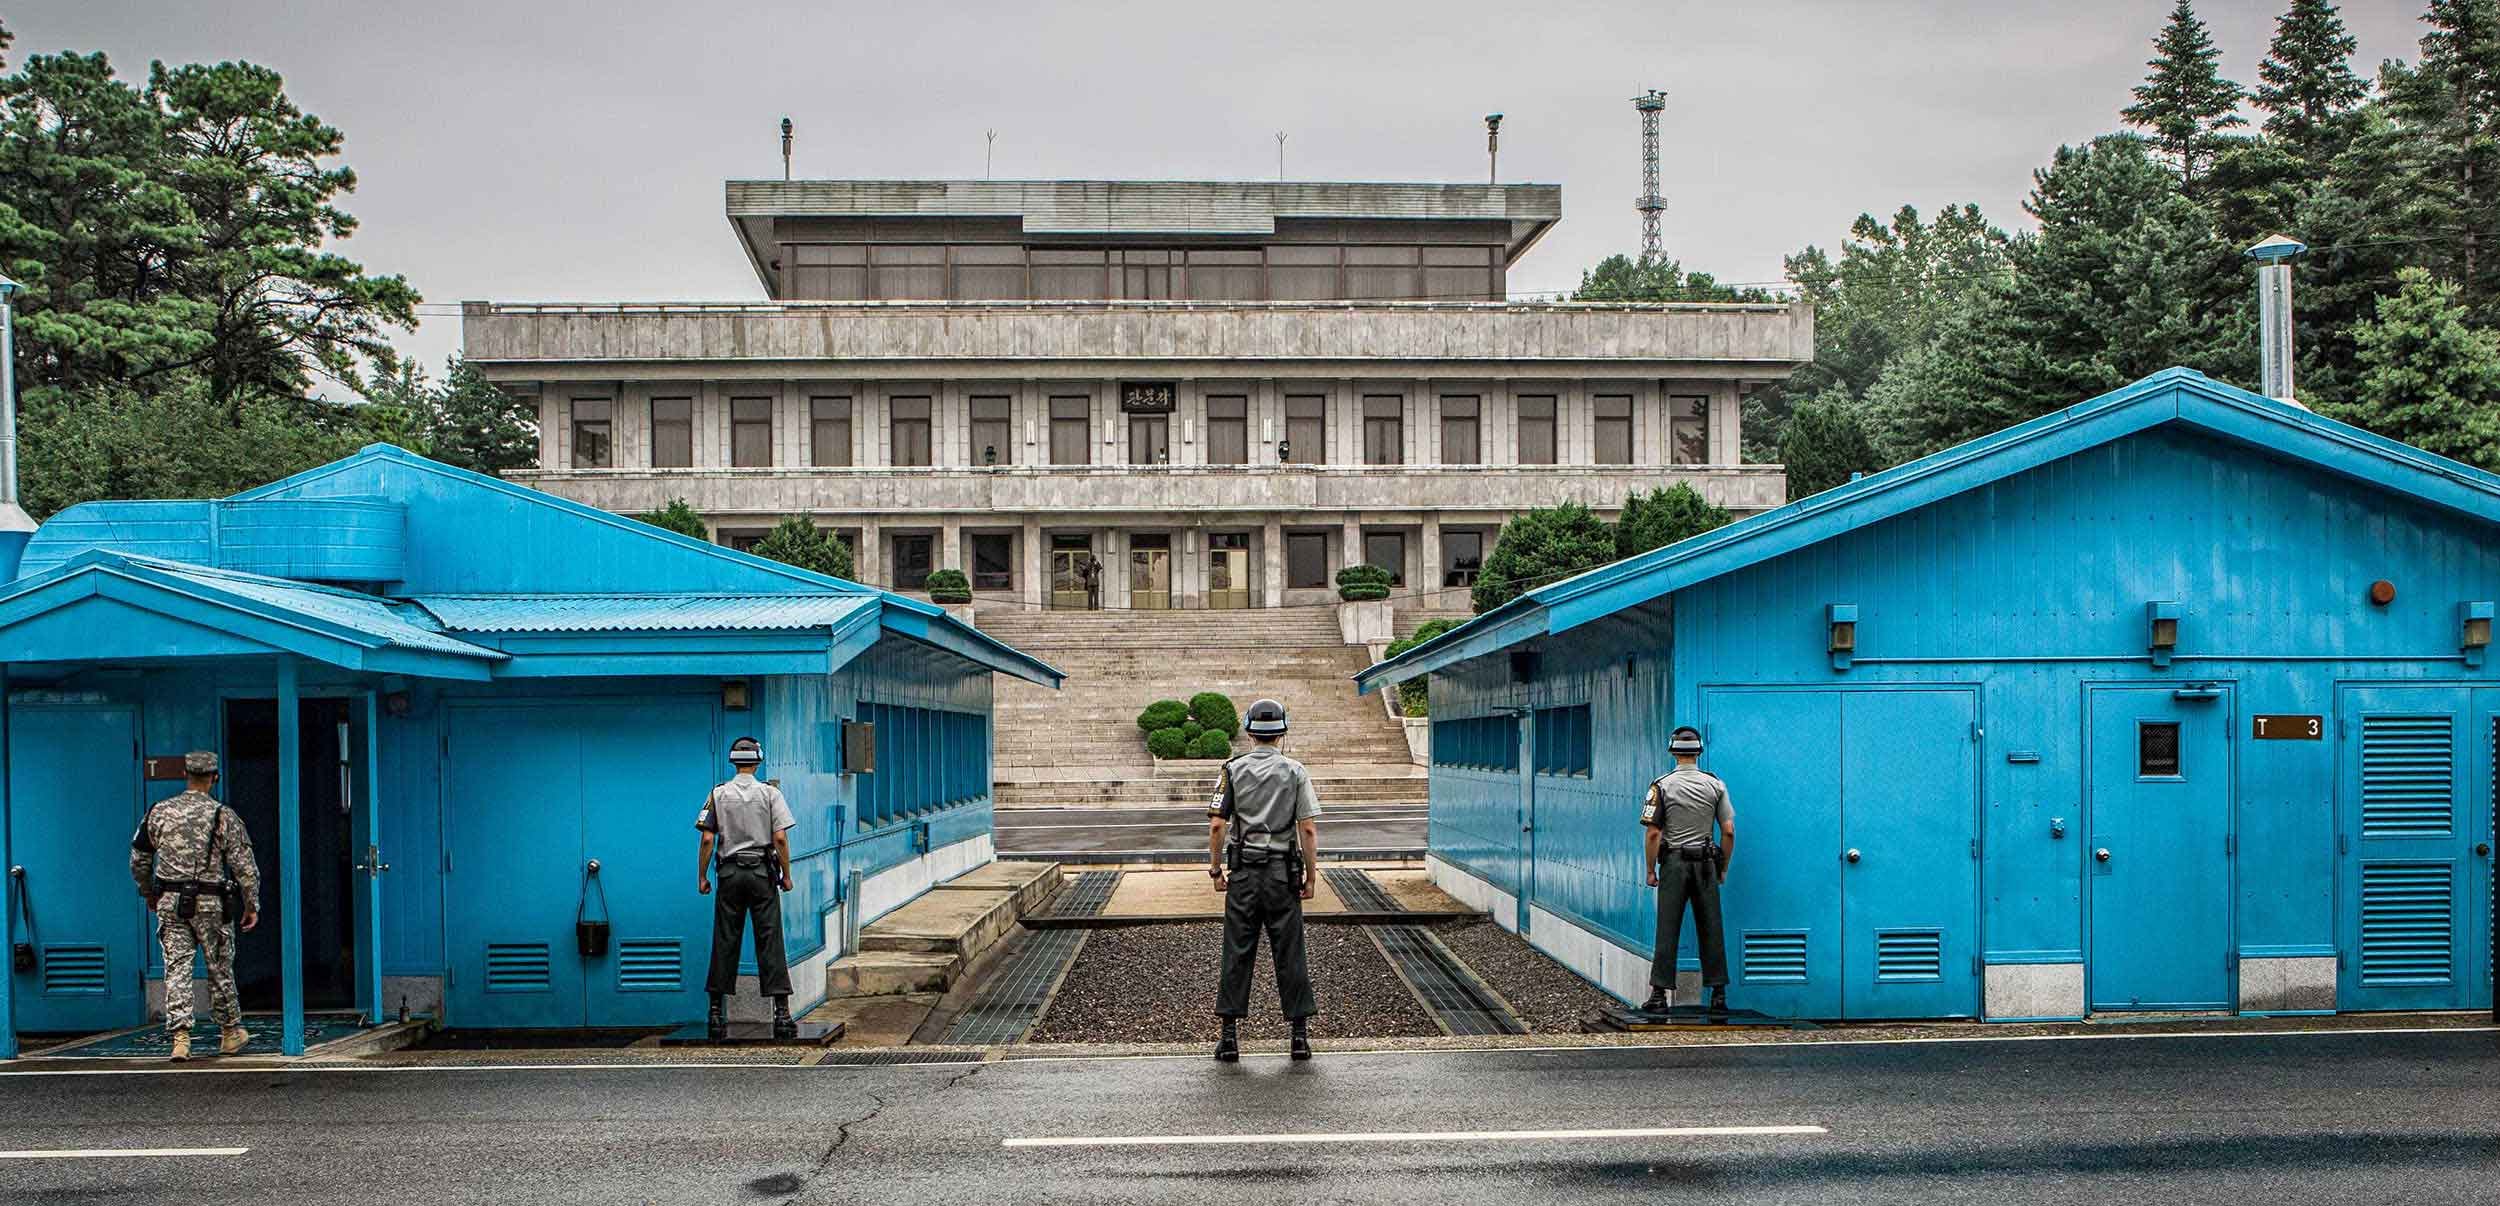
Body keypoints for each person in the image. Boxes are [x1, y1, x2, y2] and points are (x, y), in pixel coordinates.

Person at [1206, 698, 1321, 1062]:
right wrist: (1311, 878)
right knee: (1290, 952)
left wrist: (1215, 869)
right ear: (1282, 731)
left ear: (1248, 730)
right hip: (1282, 875)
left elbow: (1216, 825)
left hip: (1243, 875)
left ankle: (1229, 1039)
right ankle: (1299, 1038)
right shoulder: (1295, 771)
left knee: (1237, 952)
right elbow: (1308, 828)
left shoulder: (1231, 770)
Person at [128, 751, 261, 1061]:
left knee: (176, 967)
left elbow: (139, 859)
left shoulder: (159, 811)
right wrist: (251, 904)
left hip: (171, 902)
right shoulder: (222, 815)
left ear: (186, 775)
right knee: (218, 967)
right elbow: (244, 865)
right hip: (212, 903)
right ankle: (229, 1033)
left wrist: (149, 892)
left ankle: (181, 1039)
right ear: (214, 777)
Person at [696, 737, 797, 1039]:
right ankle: (781, 1014)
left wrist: (702, 876)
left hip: (729, 873)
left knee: (725, 939)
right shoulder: (770, 794)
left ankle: (715, 1014)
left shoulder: (717, 794)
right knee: (770, 939)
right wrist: (787, 875)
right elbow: (779, 838)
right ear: (758, 761)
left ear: (733, 761)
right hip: (762, 874)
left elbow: (707, 839)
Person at [1641, 725, 1735, 1016]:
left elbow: (1654, 833)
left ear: (1672, 751)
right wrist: (1723, 868)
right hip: (1706, 863)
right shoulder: (1715, 785)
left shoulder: (1661, 785)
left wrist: (1650, 869)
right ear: (1699, 752)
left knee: (1668, 926)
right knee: (1711, 925)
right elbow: (1729, 831)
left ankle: (1659, 995)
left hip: (1675, 863)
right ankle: (1718, 995)